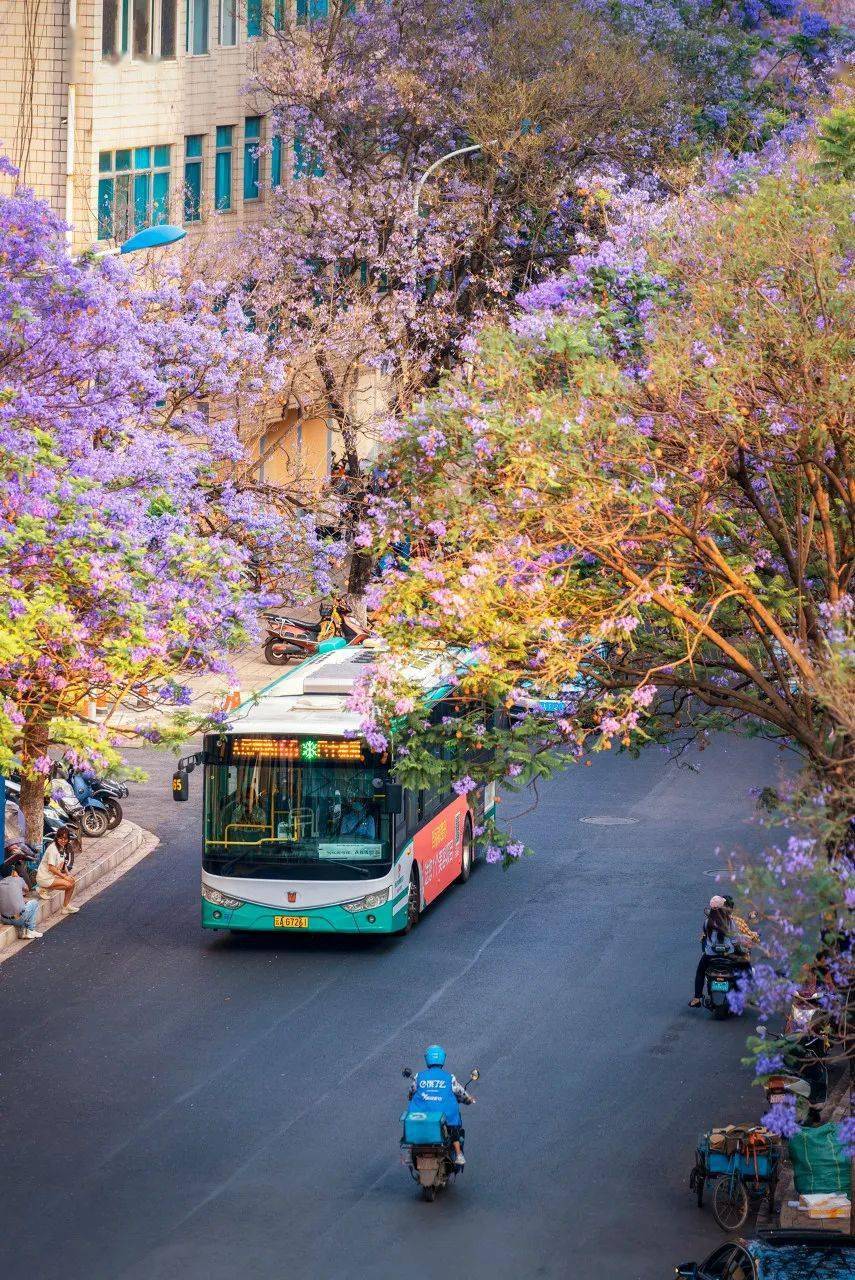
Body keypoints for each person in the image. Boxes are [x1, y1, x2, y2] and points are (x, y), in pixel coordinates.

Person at [407, 1045, 475, 1168]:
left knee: (412, 1126)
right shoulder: (449, 1078)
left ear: (427, 1059)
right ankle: (459, 1154)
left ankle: (409, 1151)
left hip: (422, 1115)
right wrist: (468, 1099)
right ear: (443, 1059)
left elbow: (411, 1090)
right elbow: (460, 1092)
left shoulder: (419, 1077)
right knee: (454, 1126)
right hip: (443, 1115)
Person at [689, 895, 745, 1007]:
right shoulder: (730, 922)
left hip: (710, 957)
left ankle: (697, 997)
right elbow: (735, 940)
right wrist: (741, 952)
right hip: (728, 955)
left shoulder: (707, 923)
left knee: (700, 972)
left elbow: (706, 937)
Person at [35, 826, 79, 913]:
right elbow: (51, 868)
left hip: (52, 877)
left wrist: (68, 874)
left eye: (65, 838)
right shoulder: (53, 849)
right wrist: (64, 877)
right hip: (44, 877)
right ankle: (44, 887)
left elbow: (63, 864)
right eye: (60, 838)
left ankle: (66, 906)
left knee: (72, 881)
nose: (63, 840)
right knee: (69, 885)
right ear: (57, 837)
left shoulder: (62, 847)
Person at [0, 863, 42, 939]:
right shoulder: (18, 879)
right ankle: (31, 930)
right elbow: (27, 889)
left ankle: (23, 932)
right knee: (34, 903)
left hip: (3, 919)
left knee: (21, 907)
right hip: (18, 919)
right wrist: (18, 877)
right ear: (12, 871)